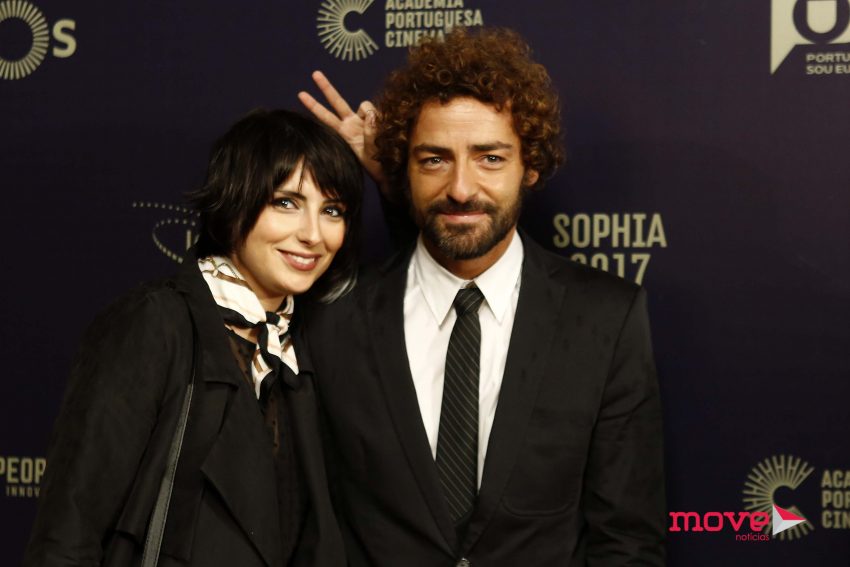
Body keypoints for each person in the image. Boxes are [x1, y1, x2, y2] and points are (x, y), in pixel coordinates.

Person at [298, 27, 666, 565]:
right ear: (403, 169)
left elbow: (628, 541)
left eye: (490, 158)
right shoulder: (333, 316)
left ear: (529, 165)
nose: (461, 188)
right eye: (434, 160)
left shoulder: (606, 317)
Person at [23, 109, 362, 567]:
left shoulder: (308, 345)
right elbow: (69, 531)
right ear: (235, 199)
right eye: (286, 203)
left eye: (332, 211)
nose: (313, 235)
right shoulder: (156, 322)